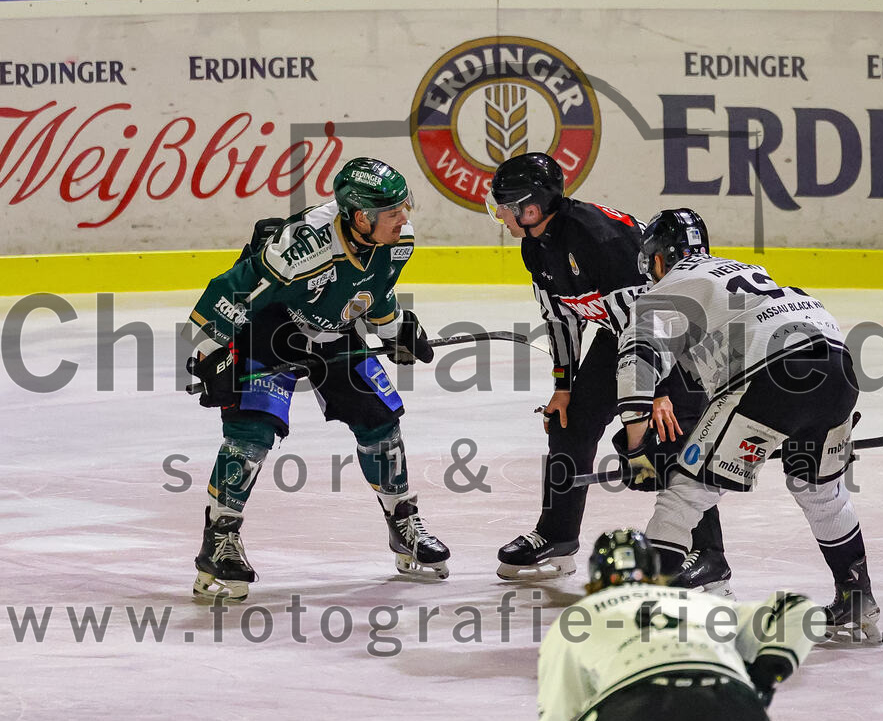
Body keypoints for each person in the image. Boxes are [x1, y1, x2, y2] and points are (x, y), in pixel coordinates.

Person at [181, 157, 449, 602]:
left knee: (379, 418)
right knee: (253, 430)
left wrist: (397, 327)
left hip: (331, 328)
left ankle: (403, 520)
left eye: (405, 207)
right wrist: (210, 354)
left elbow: (373, 292)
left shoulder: (399, 240)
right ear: (361, 216)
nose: (405, 218)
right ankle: (220, 539)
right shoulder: (301, 248)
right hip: (269, 326)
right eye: (394, 211)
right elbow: (233, 289)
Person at [614, 207, 882, 643]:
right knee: (821, 493)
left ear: (658, 260)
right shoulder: (740, 270)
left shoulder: (668, 287)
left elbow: (636, 360)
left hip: (770, 375)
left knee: (683, 494)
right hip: (837, 368)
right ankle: (857, 599)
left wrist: (637, 444)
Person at [485, 153, 728, 589]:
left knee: (670, 436)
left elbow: (648, 322)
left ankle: (708, 554)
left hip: (677, 338)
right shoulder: (534, 244)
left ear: (532, 207)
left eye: (505, 205)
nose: (500, 213)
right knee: (570, 420)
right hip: (625, 333)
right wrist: (563, 386)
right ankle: (557, 537)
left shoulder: (600, 239)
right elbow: (562, 319)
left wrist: (656, 393)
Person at [535, 528, 819, 721]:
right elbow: (801, 610)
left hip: (634, 720)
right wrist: (765, 676)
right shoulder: (701, 602)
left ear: (595, 579)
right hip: (733, 711)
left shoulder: (577, 618)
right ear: (655, 573)